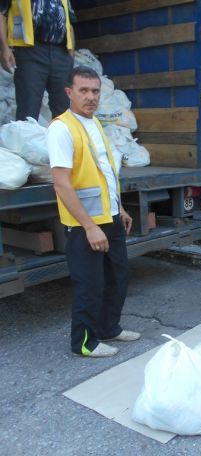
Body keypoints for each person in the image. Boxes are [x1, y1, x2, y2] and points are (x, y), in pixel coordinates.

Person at [47, 66, 139, 358]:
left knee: (117, 278)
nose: (91, 97)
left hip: (110, 217)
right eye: (83, 90)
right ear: (69, 92)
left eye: (95, 91)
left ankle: (109, 328)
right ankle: (84, 343)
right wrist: (89, 226)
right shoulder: (62, 128)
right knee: (90, 285)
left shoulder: (95, 123)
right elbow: (62, 184)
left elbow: (104, 172)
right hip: (84, 224)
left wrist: (119, 207)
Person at [0, 0, 76, 120]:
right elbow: (1, 14)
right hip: (29, 52)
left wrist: (71, 55)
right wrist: (4, 48)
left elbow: (69, 23)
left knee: (64, 109)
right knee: (28, 108)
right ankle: (27, 133)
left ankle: (62, 133)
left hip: (61, 52)